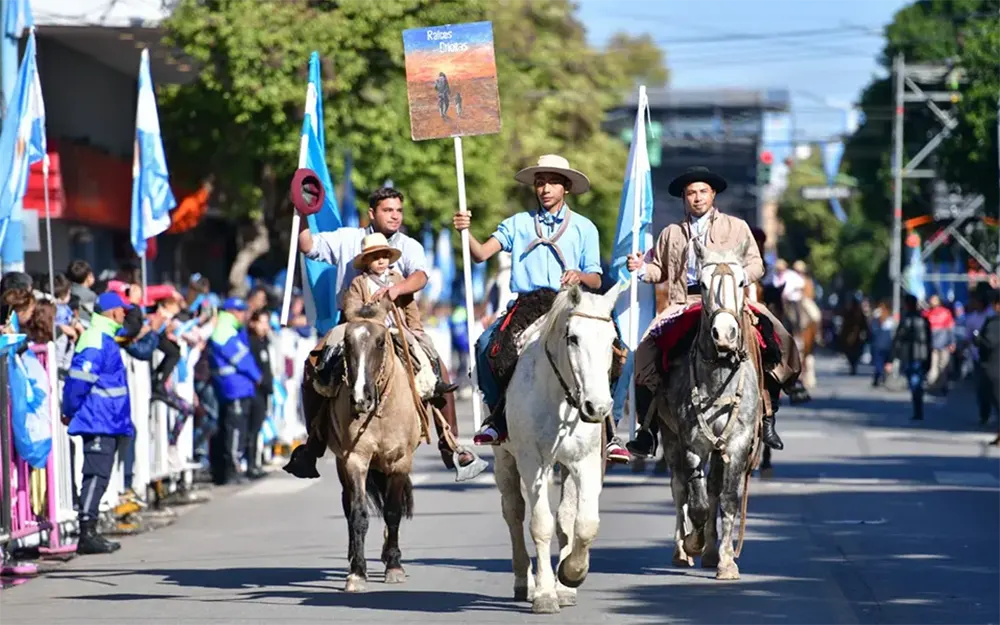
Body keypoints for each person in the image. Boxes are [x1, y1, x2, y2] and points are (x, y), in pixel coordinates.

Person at [283, 186, 477, 478]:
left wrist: (396, 289)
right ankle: (313, 444)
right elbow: (308, 245)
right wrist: (301, 213)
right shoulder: (347, 238)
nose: (395, 216)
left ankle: (449, 444)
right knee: (313, 365)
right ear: (372, 213)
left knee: (437, 367)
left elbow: (421, 275)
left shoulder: (410, 246)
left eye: (399, 210)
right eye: (388, 210)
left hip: (399, 326)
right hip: (352, 326)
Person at [452, 153, 631, 462]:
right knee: (486, 347)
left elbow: (597, 279)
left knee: (620, 354)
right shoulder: (518, 223)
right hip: (528, 304)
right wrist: (465, 232)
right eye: (539, 182)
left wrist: (579, 276)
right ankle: (498, 418)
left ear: (566, 188)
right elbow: (481, 254)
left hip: (571, 303)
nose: (545, 188)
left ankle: (610, 428)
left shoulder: (584, 227)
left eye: (552, 182)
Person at [624, 166, 802, 458]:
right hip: (683, 303)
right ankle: (647, 430)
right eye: (691, 192)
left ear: (713, 194)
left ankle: (768, 415)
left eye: (702, 192)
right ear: (684, 197)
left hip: (728, 302)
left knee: (775, 337)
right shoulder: (671, 233)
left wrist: (739, 277)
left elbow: (757, 264)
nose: (697, 198)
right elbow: (660, 270)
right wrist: (642, 268)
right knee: (644, 351)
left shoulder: (736, 227)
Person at [61, 292, 134, 555]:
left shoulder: (104, 338)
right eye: (123, 309)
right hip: (98, 419)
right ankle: (87, 533)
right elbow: (79, 380)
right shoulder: (95, 339)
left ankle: (90, 530)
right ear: (112, 312)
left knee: (100, 475)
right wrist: (69, 409)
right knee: (95, 475)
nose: (125, 313)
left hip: (107, 419)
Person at [341, 232, 453, 398]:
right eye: (374, 257)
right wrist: (372, 307)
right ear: (366, 261)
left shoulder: (398, 279)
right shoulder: (359, 283)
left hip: (397, 328)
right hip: (371, 331)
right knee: (338, 348)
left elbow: (409, 305)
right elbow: (351, 309)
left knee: (423, 347)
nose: (380, 261)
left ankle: (432, 381)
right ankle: (331, 380)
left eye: (384, 256)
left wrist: (416, 328)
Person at [209, 297, 262, 485]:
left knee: (235, 428)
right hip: (233, 386)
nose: (243, 315)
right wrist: (257, 376)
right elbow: (241, 357)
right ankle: (232, 469)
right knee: (235, 430)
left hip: (237, 386)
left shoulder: (233, 329)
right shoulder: (224, 329)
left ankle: (232, 468)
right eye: (240, 311)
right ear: (231, 311)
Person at [892, 294, 933, 421]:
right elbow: (929, 340)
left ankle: (918, 407)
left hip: (910, 355)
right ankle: (918, 406)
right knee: (916, 380)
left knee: (914, 381)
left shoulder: (906, 320)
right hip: (922, 354)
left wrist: (894, 355)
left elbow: (898, 339)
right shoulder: (923, 320)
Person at [246, 307, 273, 479]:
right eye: (261, 322)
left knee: (258, 429)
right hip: (255, 391)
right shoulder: (251, 342)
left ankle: (256, 462)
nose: (264, 326)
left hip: (264, 391)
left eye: (266, 322)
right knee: (252, 430)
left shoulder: (265, 342)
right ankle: (250, 465)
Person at [974, 290, 1000, 444]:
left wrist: (978, 339)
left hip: (995, 367)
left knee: (996, 400)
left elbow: (988, 343)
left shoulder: (994, 323)